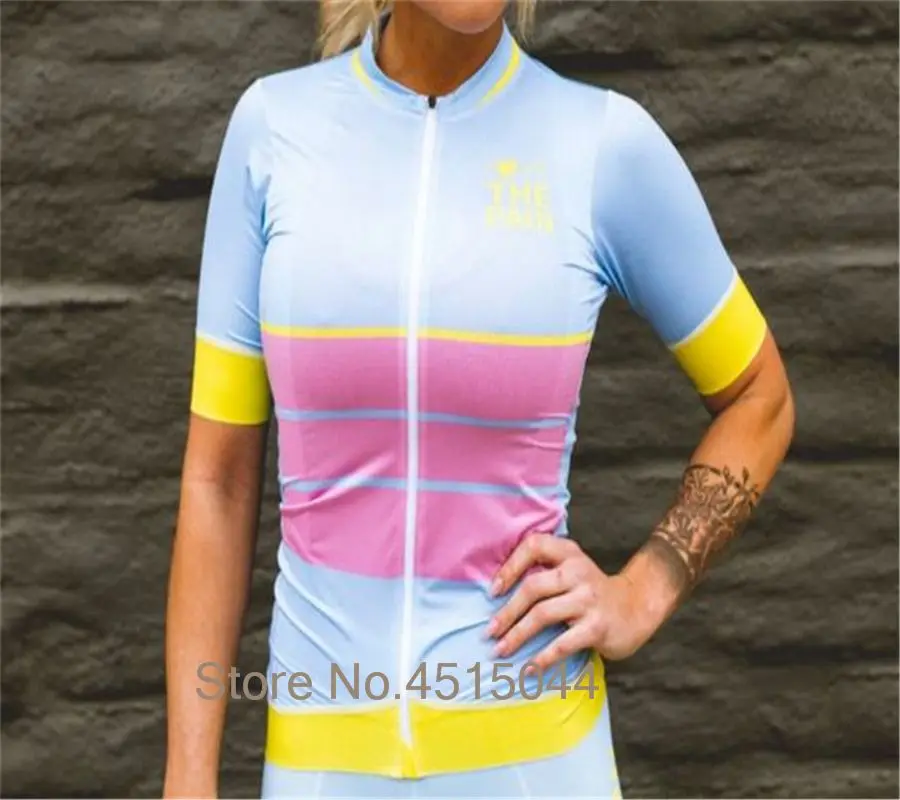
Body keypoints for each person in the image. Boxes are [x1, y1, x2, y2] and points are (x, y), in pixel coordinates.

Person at [163, 0, 795, 797]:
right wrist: (189, 779)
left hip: (539, 764)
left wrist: (645, 587)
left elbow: (761, 398)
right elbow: (218, 480)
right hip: (320, 766)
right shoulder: (273, 132)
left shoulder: (602, 146)